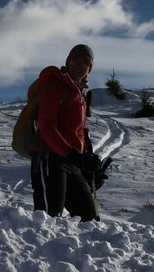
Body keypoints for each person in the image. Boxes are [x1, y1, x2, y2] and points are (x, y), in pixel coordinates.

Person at [31, 44, 101, 222]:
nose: (79, 65)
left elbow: (80, 131)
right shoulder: (54, 86)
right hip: (50, 157)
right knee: (48, 218)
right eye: (75, 60)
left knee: (90, 219)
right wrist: (74, 156)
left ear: (89, 68)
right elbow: (46, 128)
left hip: (72, 161)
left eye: (84, 62)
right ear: (68, 62)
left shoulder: (81, 94)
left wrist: (87, 163)